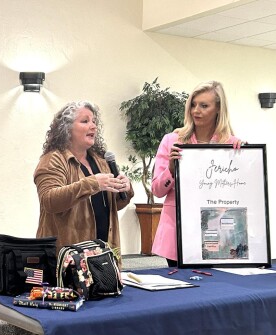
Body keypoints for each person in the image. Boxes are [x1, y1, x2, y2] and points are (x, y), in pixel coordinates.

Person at [151, 80, 242, 267]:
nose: (195, 110)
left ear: (218, 109)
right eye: (193, 105)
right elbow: (157, 191)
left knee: (217, 289)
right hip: (177, 231)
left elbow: (240, 192)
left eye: (204, 105)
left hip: (217, 229)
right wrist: (170, 170)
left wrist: (246, 159)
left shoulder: (232, 145)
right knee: (181, 291)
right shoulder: (172, 141)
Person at [34, 101, 133, 254]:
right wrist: (92, 183)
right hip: (68, 260)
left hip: (104, 256)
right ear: (66, 129)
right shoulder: (53, 160)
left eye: (94, 121)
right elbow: (49, 201)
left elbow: (109, 207)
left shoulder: (101, 161)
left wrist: (125, 189)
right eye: (85, 121)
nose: (93, 126)